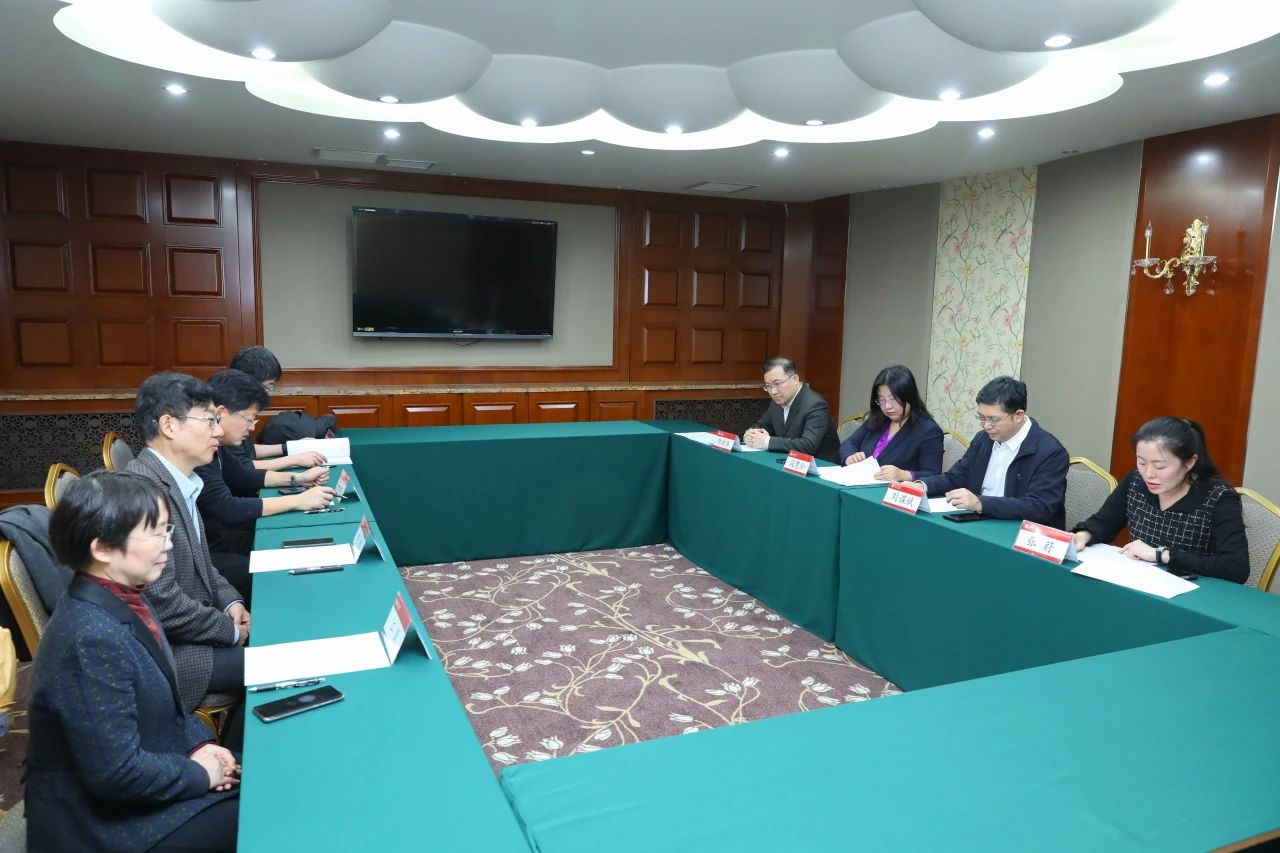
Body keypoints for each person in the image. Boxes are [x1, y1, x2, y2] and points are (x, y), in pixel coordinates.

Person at [26, 470, 239, 852]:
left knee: (266, 776)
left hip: (147, 769)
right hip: (96, 823)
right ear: (103, 548)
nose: (168, 544)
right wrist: (199, 774)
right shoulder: (91, 637)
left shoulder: (122, 595)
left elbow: (165, 709)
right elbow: (116, 774)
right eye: (156, 533)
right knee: (264, 812)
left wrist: (199, 745)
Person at [125, 373, 248, 727]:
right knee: (277, 668)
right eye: (209, 420)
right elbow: (161, 602)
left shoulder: (181, 480)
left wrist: (230, 601)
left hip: (191, 630)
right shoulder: (144, 494)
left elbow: (201, 562)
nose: (218, 432)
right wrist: (228, 631)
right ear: (169, 426)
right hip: (168, 653)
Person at [1071, 417, 1248, 583]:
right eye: (1142, 462)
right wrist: (1084, 535)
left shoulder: (1219, 497)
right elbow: (1106, 521)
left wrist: (1161, 555)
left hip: (1193, 593)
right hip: (1139, 583)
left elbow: (1236, 567)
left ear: (1189, 462)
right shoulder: (1136, 481)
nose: (1148, 474)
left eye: (1160, 466)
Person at [197, 369, 333, 585]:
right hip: (210, 550)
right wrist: (298, 501)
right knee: (280, 573)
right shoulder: (200, 449)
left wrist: (299, 479)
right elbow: (227, 508)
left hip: (222, 535)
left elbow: (243, 474)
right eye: (249, 419)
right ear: (220, 413)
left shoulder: (217, 444)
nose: (252, 428)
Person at [914, 376, 1068, 528]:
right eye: (982, 418)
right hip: (979, 522)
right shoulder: (983, 439)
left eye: (993, 420)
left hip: (1023, 532)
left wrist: (980, 503)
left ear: (1018, 416)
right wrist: (922, 486)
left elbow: (1039, 507)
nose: (986, 426)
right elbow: (956, 477)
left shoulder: (1050, 452)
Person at [229, 345, 326, 474]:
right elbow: (243, 468)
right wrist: (295, 460)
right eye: (269, 386)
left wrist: (291, 447)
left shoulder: (239, 406)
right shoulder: (229, 412)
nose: (269, 393)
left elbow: (247, 450)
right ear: (250, 382)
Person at [839, 365, 943, 481]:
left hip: (893, 489)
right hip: (860, 483)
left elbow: (933, 474)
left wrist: (903, 475)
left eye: (893, 399)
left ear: (909, 396)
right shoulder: (879, 418)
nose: (888, 406)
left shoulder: (928, 431)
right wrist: (850, 457)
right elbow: (849, 443)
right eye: (882, 400)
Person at [742, 357, 841, 463]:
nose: (773, 392)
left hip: (821, 467)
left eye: (777, 383)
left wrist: (766, 441)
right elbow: (763, 425)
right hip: (788, 463)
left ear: (795, 379)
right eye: (768, 386)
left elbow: (808, 445)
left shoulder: (815, 405)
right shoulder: (777, 401)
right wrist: (751, 434)